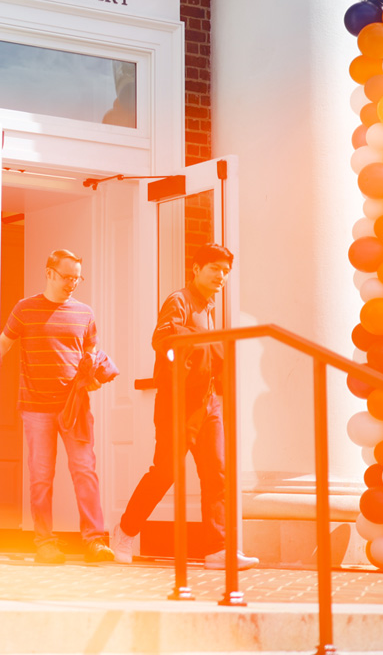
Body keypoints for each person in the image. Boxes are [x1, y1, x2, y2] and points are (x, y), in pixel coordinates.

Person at [109, 242, 259, 571]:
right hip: (178, 402)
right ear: (195, 269)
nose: (220, 276)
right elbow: (163, 340)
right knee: (166, 472)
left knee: (217, 472)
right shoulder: (179, 301)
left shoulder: (211, 308)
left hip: (209, 403)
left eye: (225, 272)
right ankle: (124, 531)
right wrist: (207, 348)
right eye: (214, 269)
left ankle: (218, 550)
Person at [0, 249, 118, 565]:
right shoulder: (24, 309)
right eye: (67, 277)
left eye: (77, 278)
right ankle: (45, 543)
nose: (73, 284)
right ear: (49, 272)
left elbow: (91, 354)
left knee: (85, 471)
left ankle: (94, 542)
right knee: (41, 475)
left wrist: (94, 376)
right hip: (36, 407)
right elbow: (2, 346)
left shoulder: (85, 313)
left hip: (75, 407)